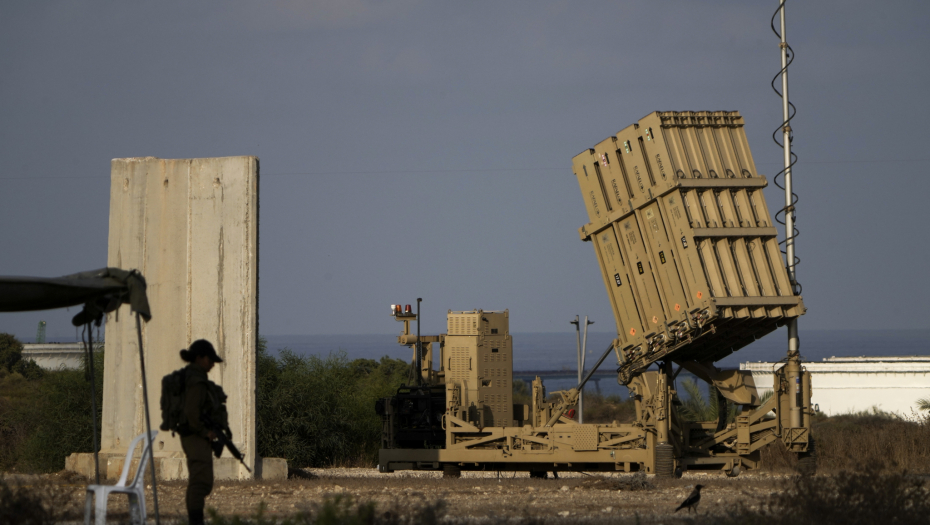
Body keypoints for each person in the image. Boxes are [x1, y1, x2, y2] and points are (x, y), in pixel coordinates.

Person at [178, 339, 224, 525]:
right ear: (199, 358)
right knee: (200, 482)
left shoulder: (192, 377)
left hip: (192, 434)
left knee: (200, 481)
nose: (212, 364)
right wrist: (205, 432)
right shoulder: (196, 381)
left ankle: (195, 520)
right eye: (209, 359)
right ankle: (195, 521)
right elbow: (191, 413)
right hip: (195, 436)